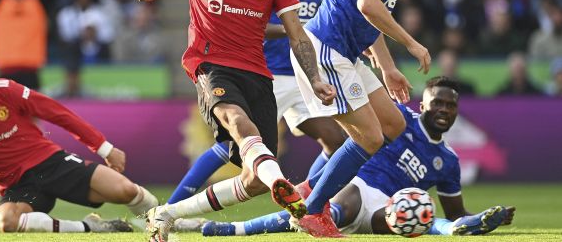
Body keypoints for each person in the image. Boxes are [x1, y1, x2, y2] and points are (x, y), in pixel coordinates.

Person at [133, 0, 336, 242]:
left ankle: (167, 213)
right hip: (210, 65)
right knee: (239, 123)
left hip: (257, 72)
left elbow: (297, 34)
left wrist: (315, 78)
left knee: (253, 180)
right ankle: (285, 189)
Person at [287, 0, 439, 237]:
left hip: (349, 54)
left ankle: (309, 190)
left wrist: (386, 68)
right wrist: (412, 44)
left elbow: (370, 21)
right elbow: (368, 6)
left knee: (393, 124)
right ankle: (311, 210)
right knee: (369, 137)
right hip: (326, 49)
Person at [193, 77, 516, 237]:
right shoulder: (399, 119)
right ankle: (233, 230)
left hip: (390, 208)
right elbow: (357, 119)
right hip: (358, 186)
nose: (444, 110)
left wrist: (479, 216)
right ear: (424, 105)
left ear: (457, 111)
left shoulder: (448, 161)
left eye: (450, 105)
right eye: (437, 103)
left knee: (420, 220)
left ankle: (458, 229)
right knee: (334, 210)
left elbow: (455, 206)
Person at [0, 41, 158, 234]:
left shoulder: (3, 89)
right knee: (7, 222)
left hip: (51, 163)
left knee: (126, 190)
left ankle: (163, 220)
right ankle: (89, 227)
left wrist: (104, 148)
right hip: (18, 187)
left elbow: (57, 112)